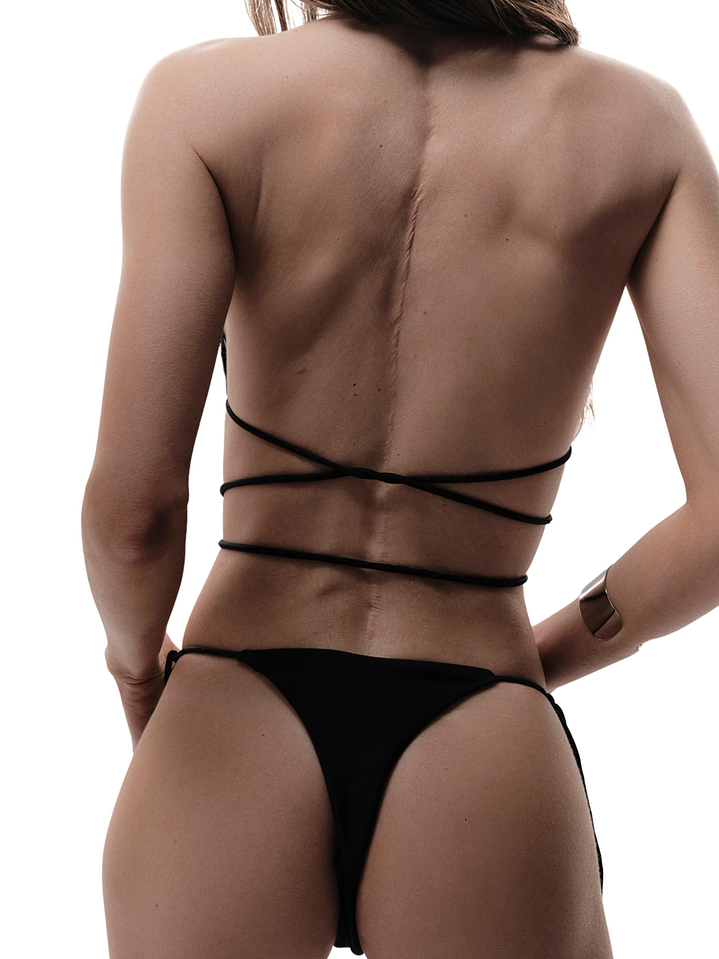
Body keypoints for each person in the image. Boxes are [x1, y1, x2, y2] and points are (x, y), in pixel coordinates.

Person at [81, 1, 719, 957]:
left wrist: (138, 674)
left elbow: (131, 517)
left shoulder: (203, 98)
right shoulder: (642, 130)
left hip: (230, 710)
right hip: (480, 726)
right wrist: (536, 660)